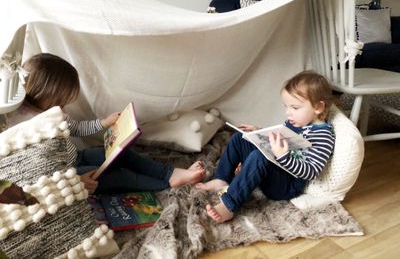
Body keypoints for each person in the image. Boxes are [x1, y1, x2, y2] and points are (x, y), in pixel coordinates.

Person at [6, 53, 205, 194]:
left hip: (78, 157)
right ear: (43, 95)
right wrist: (74, 183)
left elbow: (75, 128)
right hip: (67, 175)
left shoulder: (55, 113)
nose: (64, 109)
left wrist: (104, 123)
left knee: (120, 153)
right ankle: (165, 185)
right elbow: (37, 173)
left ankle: (171, 174)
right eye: (61, 102)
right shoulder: (24, 127)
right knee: (120, 176)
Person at [196, 70, 336, 223]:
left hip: (286, 185)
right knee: (239, 138)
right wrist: (259, 133)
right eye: (286, 107)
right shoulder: (296, 122)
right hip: (274, 166)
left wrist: (284, 156)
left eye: (295, 108)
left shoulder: (323, 137)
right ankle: (221, 179)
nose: (288, 113)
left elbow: (310, 172)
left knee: (258, 157)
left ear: (318, 108)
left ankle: (229, 205)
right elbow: (279, 137)